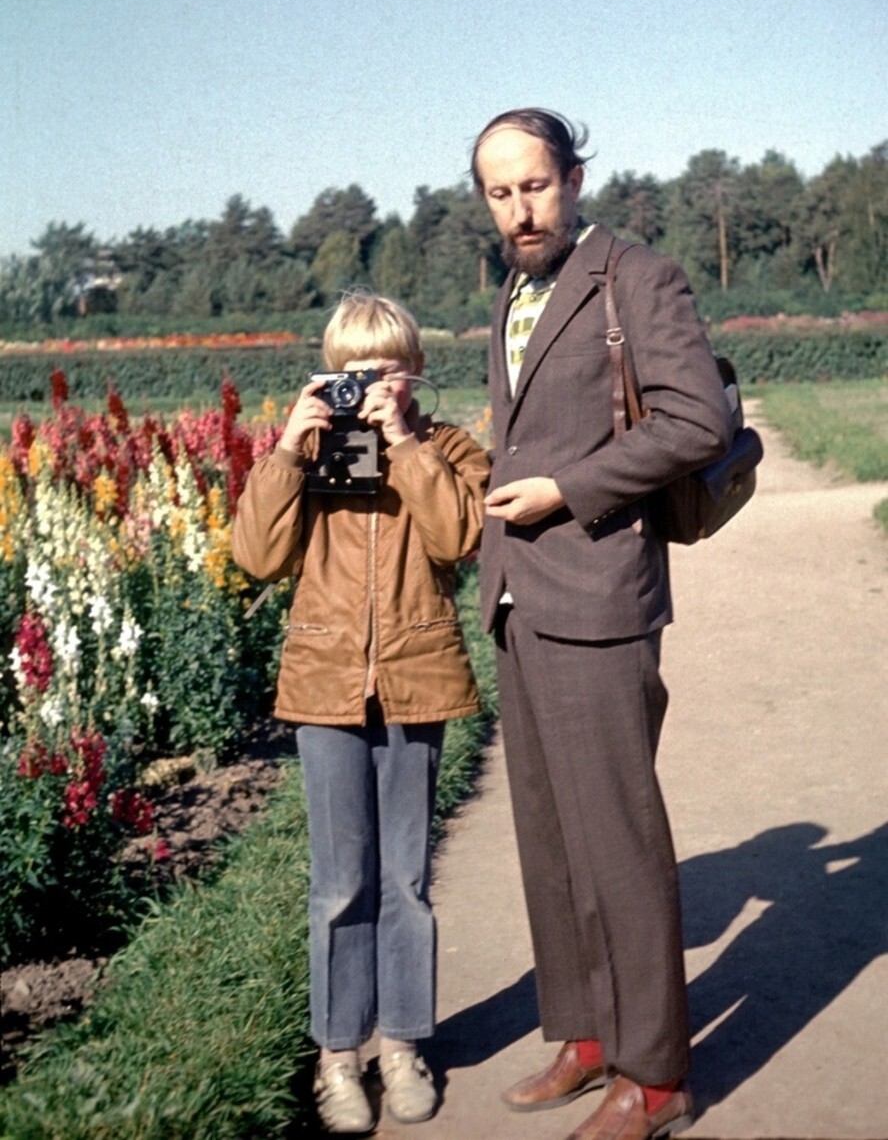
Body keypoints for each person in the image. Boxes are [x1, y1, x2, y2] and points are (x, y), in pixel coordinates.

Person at [471, 108, 733, 1140]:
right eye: (498, 191)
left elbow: (697, 420)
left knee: (617, 838)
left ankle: (657, 1075)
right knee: (552, 837)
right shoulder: (513, 291)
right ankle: (585, 1033)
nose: (519, 208)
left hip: (598, 594)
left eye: (534, 184)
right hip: (521, 596)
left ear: (573, 178)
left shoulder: (638, 275)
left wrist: (565, 492)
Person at [231, 291, 489, 1135]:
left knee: (406, 882)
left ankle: (404, 1044)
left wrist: (408, 445)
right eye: (349, 373)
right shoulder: (308, 455)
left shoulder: (446, 447)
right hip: (324, 683)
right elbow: (257, 556)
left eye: (384, 370)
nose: (367, 387)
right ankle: (338, 1056)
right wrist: (283, 450)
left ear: (413, 371)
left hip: (416, 675)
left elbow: (458, 537)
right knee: (341, 883)